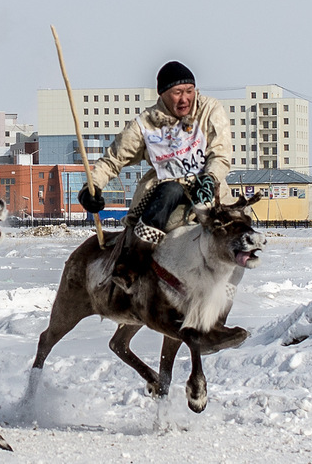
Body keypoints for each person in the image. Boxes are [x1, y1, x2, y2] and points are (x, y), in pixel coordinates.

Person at [78, 61, 242, 344]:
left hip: (208, 193)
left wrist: (211, 177)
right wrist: (92, 187)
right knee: (169, 193)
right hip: (166, 197)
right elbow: (113, 159)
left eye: (189, 91)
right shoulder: (145, 125)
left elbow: (221, 151)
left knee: (238, 238)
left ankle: (216, 320)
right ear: (163, 94)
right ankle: (130, 265)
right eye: (178, 92)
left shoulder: (210, 109)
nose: (185, 99)